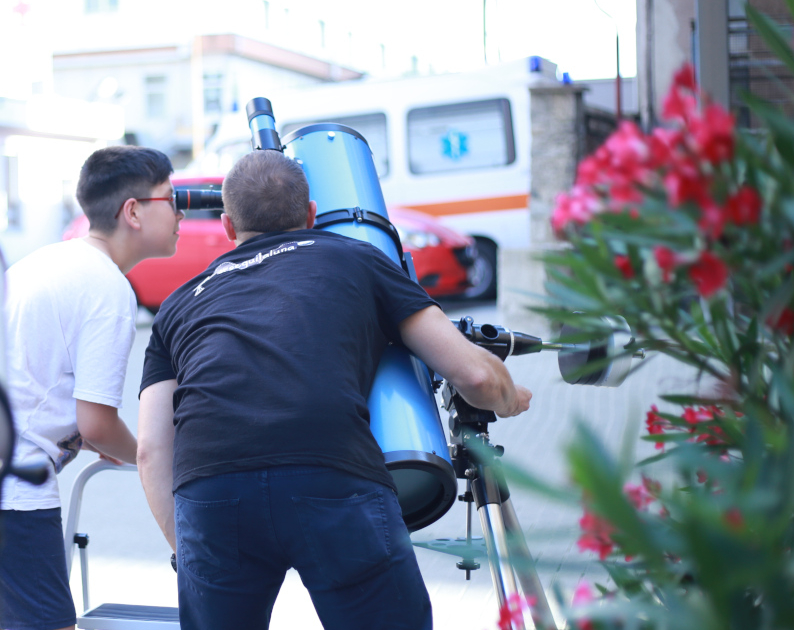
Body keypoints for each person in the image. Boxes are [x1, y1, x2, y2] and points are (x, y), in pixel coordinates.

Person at [136, 150, 532, 630]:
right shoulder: (358, 258)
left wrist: (193, 553)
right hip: (330, 475)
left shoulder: (178, 305)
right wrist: (510, 399)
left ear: (226, 227)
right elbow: (476, 377)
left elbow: (152, 451)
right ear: (310, 215)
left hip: (213, 490)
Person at [0, 145, 182, 630]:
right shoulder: (107, 289)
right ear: (132, 212)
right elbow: (95, 422)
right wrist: (140, 455)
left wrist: (98, 440)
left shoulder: (44, 263)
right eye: (172, 199)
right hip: (9, 486)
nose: (182, 213)